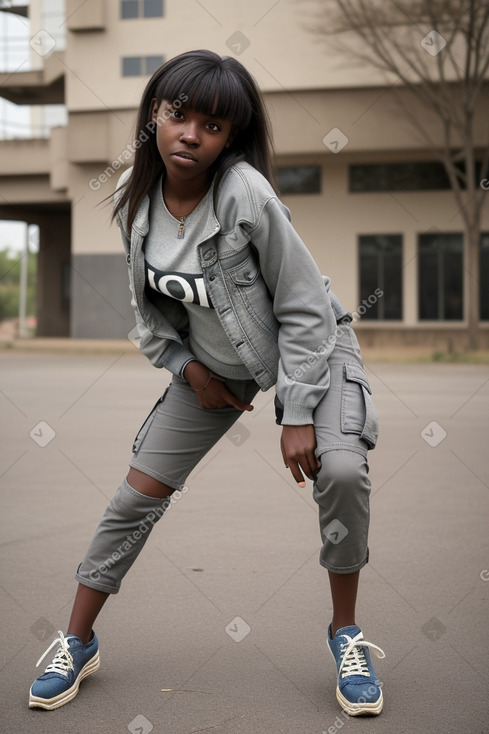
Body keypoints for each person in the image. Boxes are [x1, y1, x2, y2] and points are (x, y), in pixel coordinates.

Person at [29, 49, 385, 716]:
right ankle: (76, 639)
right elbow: (151, 317)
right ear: (154, 117)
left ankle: (346, 634)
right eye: (176, 114)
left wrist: (296, 411)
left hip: (314, 355)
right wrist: (189, 369)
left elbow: (305, 307)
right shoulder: (137, 199)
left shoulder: (245, 193)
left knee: (339, 470)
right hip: (214, 369)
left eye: (212, 126)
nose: (190, 133)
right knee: (134, 497)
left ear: (230, 138)